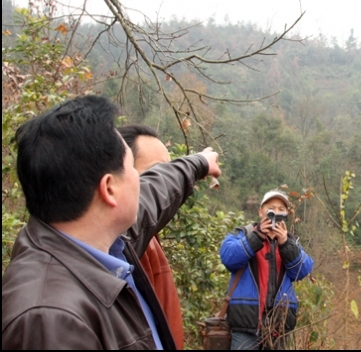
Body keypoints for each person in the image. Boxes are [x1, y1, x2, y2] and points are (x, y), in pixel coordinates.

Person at [2, 95, 221, 350]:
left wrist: (200, 163)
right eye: (132, 167)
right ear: (109, 188)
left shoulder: (104, 240)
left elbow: (157, 190)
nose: (141, 180)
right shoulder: (48, 320)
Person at [220, 189, 314, 350]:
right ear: (261, 211)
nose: (275, 213)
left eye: (281, 209)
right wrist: (257, 237)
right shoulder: (244, 234)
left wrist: (284, 243)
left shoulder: (291, 242)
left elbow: (303, 270)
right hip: (245, 324)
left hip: (279, 326)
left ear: (286, 215)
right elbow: (228, 257)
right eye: (271, 208)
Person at [117, 124, 184, 349]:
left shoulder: (149, 240)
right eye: (157, 172)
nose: (168, 180)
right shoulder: (120, 246)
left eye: (170, 170)